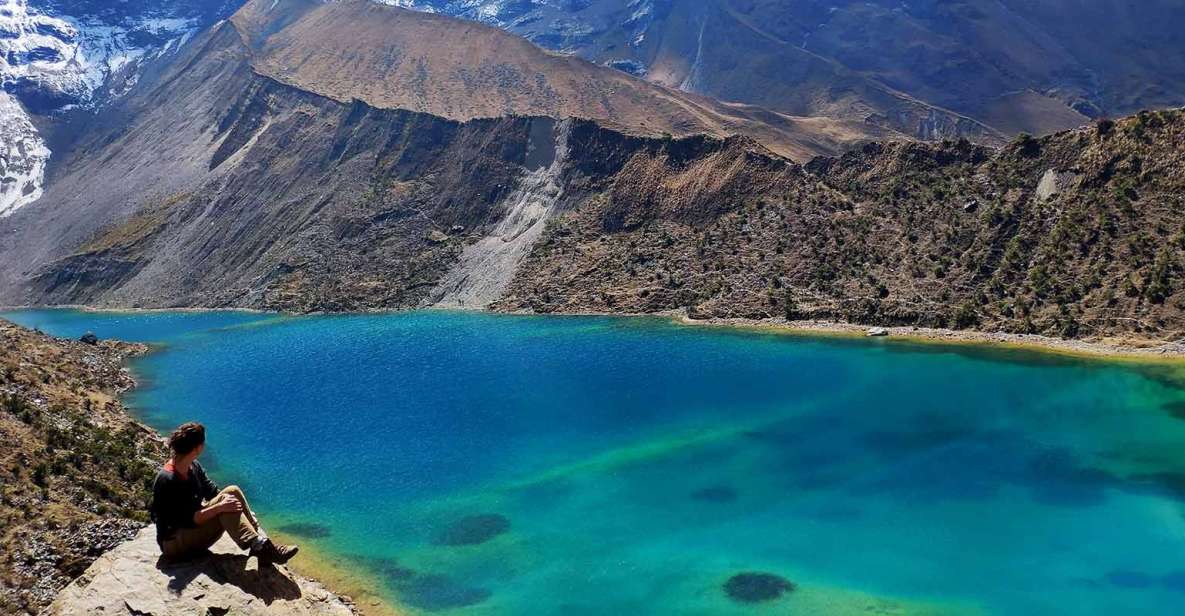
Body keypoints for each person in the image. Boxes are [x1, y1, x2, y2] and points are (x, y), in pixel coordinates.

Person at [149, 422, 298, 564]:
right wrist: (220, 508)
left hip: (190, 531)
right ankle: (261, 547)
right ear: (198, 448)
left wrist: (230, 504)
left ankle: (259, 543)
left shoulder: (193, 466)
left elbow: (212, 492)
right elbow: (189, 519)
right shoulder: (167, 480)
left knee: (232, 491)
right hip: (174, 543)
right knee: (224, 507)